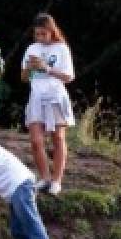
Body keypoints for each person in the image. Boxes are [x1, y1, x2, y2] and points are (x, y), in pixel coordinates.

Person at [21, 13, 75, 195]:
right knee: (36, 141)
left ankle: (56, 180)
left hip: (55, 96)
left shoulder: (62, 49)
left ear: (52, 32)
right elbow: (23, 77)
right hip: (36, 96)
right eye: (37, 34)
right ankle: (44, 178)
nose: (40, 38)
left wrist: (47, 68)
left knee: (58, 138)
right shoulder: (31, 49)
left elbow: (68, 77)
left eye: (44, 34)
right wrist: (29, 67)